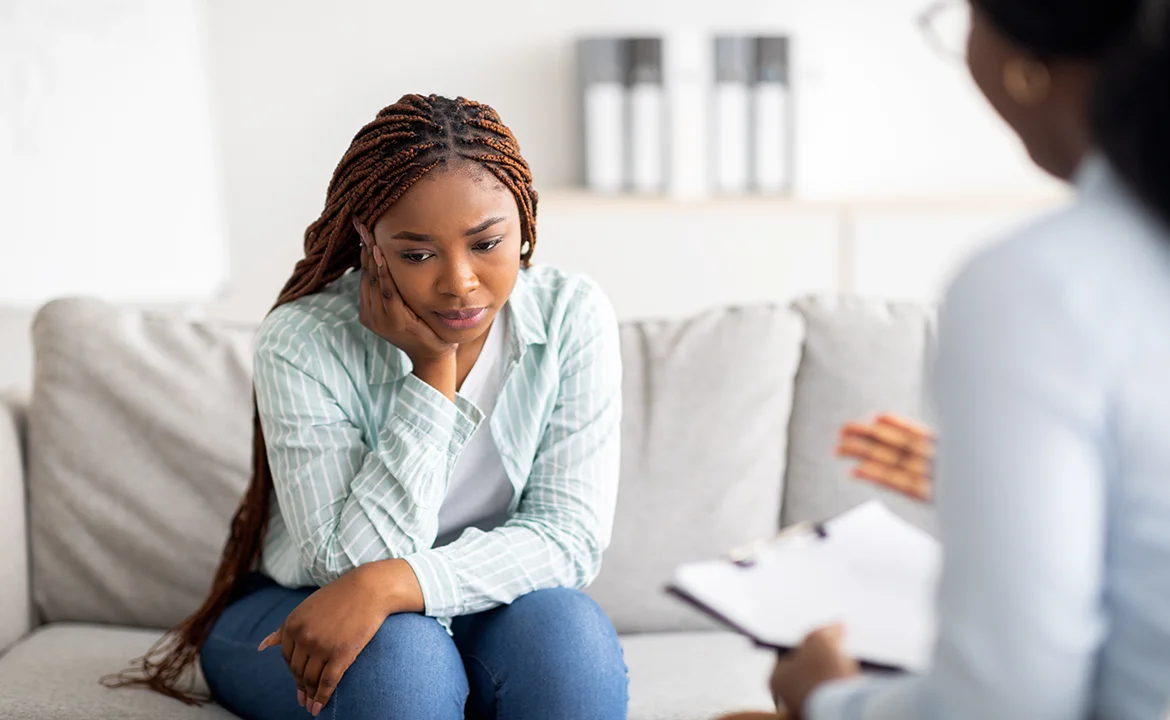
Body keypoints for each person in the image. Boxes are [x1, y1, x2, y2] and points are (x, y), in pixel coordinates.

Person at [105, 93, 628, 720]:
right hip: (308, 606)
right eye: (416, 254)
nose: (459, 281)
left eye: (487, 243)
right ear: (368, 244)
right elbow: (345, 567)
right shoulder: (302, 340)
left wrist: (395, 585)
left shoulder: (573, 314)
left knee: (567, 636)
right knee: (400, 656)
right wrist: (433, 376)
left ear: (525, 223)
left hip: (487, 603)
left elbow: (568, 537)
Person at [731, 0, 1170, 716]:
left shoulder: (1039, 286)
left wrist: (826, 697)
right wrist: (1009, 490)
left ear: (1026, 65)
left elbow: (1008, 702)